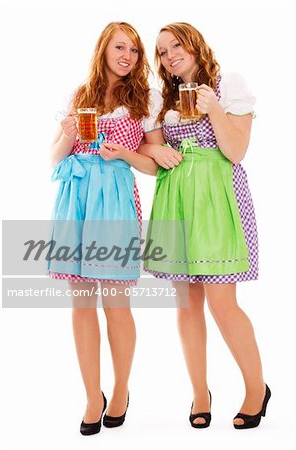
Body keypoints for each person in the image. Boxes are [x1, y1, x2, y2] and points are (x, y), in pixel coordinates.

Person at [141, 22, 271, 429]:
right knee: (187, 302)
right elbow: (150, 147)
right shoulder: (161, 98)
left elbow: (236, 151)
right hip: (177, 198)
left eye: (176, 45)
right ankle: (200, 393)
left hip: (218, 196)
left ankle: (256, 388)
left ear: (195, 45)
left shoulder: (227, 83)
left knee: (222, 302)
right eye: (162, 51)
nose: (169, 55)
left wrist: (214, 108)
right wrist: (155, 151)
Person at [48, 22, 164, 435]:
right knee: (81, 303)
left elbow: (153, 165)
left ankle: (119, 389)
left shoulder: (145, 99)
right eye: (120, 47)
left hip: (114, 200)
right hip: (76, 199)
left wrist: (126, 153)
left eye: (134, 50)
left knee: (116, 303)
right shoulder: (80, 96)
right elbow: (56, 158)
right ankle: (91, 394)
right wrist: (65, 136)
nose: (128, 56)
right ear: (104, 49)